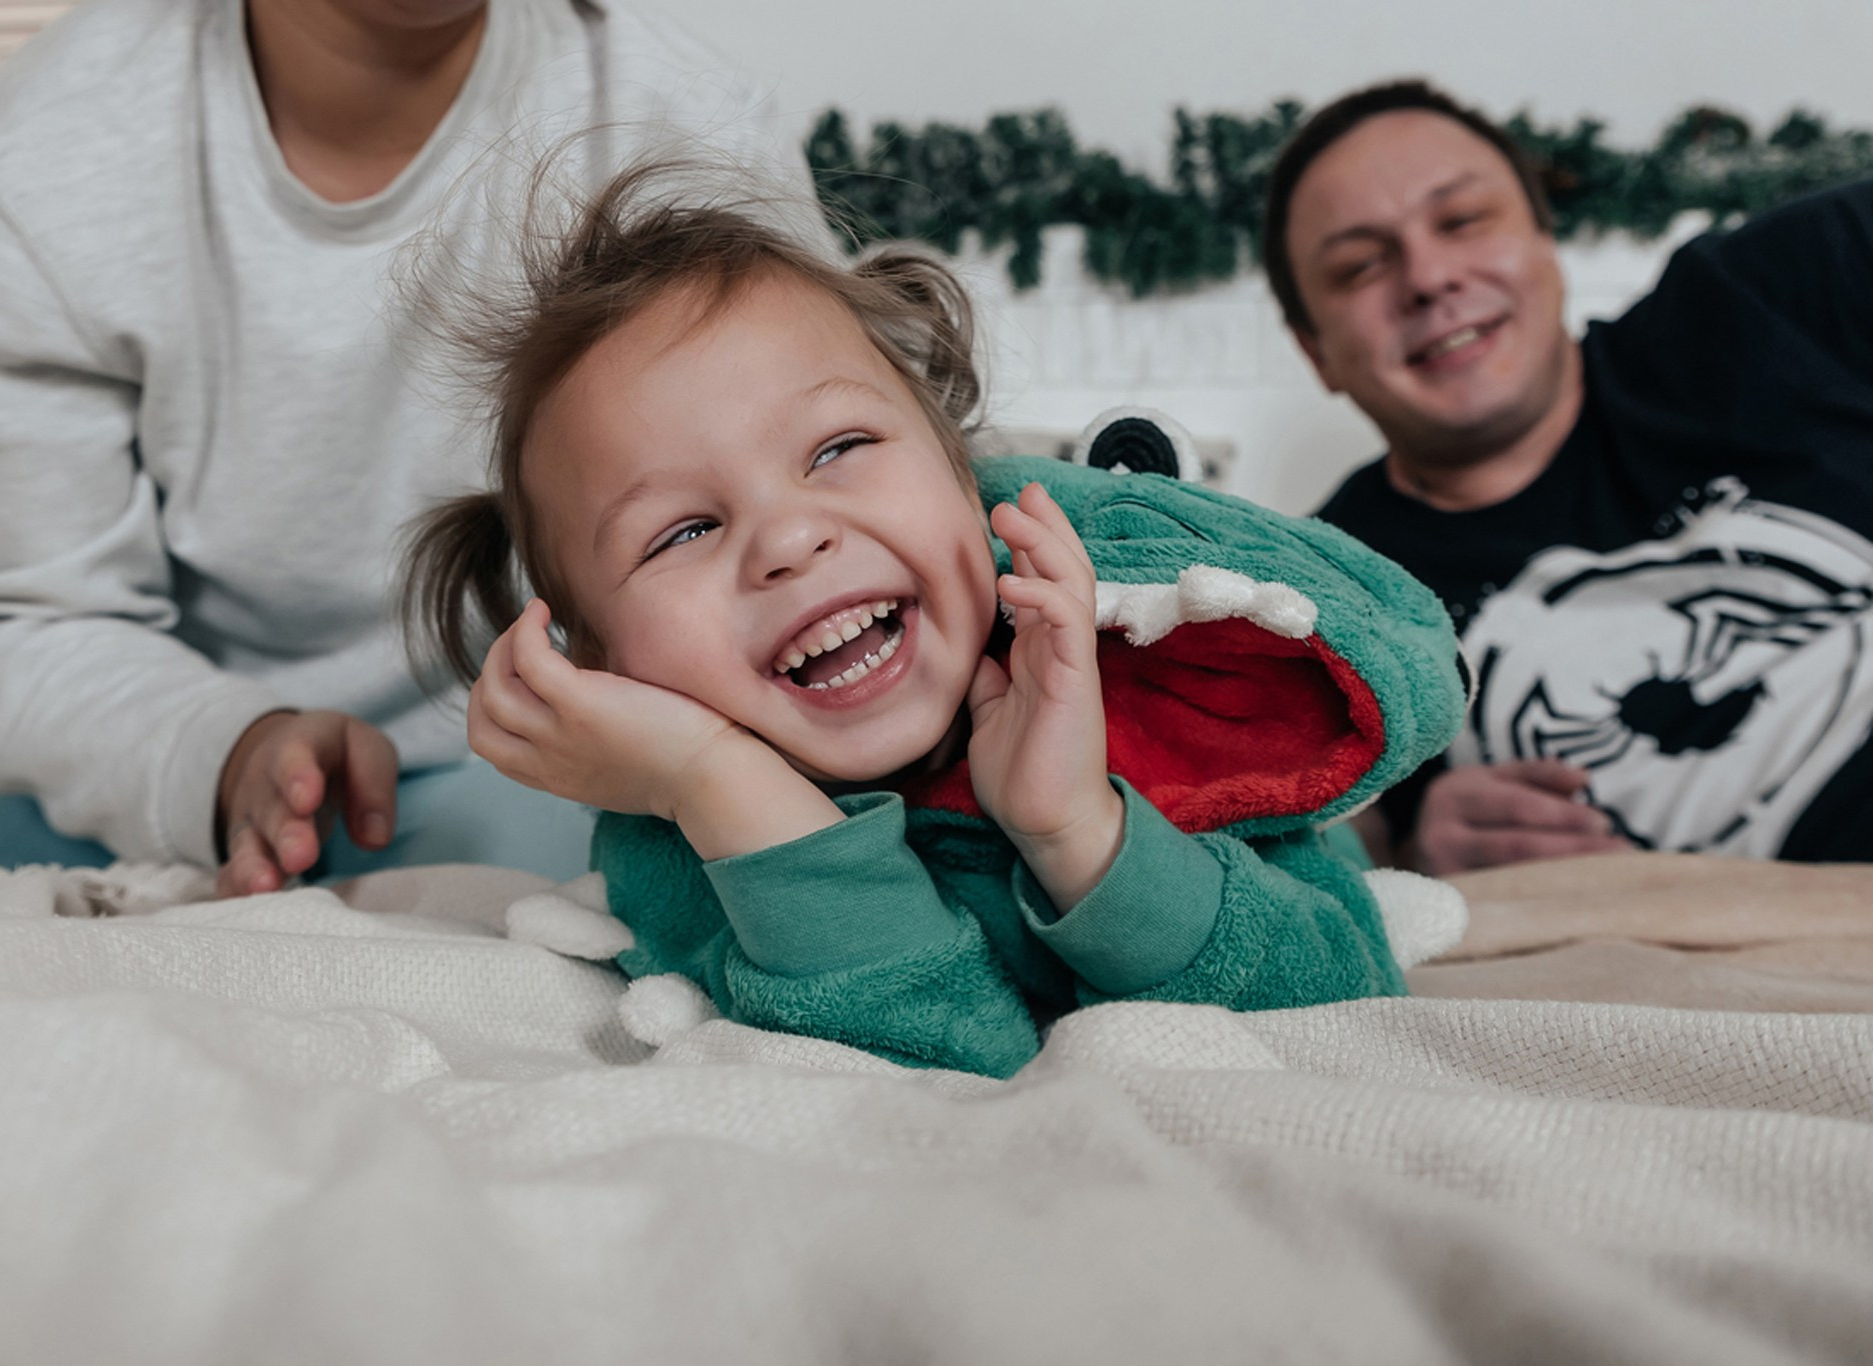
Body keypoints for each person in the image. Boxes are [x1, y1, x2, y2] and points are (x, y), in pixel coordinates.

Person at [401, 161, 1467, 1077]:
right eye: (680, 531)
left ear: (968, 482)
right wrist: (717, 782)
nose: (786, 540)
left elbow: (1341, 1006)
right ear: (600, 667)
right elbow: (938, 1071)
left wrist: (1078, 828)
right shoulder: (680, 838)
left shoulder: (1146, 683)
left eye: (835, 450)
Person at [0, 0, 812, 892]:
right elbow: (17, 618)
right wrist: (226, 752)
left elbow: (811, 513)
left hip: (589, 756)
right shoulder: (26, 160)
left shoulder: (688, 123)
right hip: (158, 745)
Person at [1267, 80, 1873, 873]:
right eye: (1359, 267)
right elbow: (1279, 861)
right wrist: (1408, 856)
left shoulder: (1766, 297)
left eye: (1463, 221)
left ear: (1545, 243)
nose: (1428, 277)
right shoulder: (1318, 599)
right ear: (1317, 352)